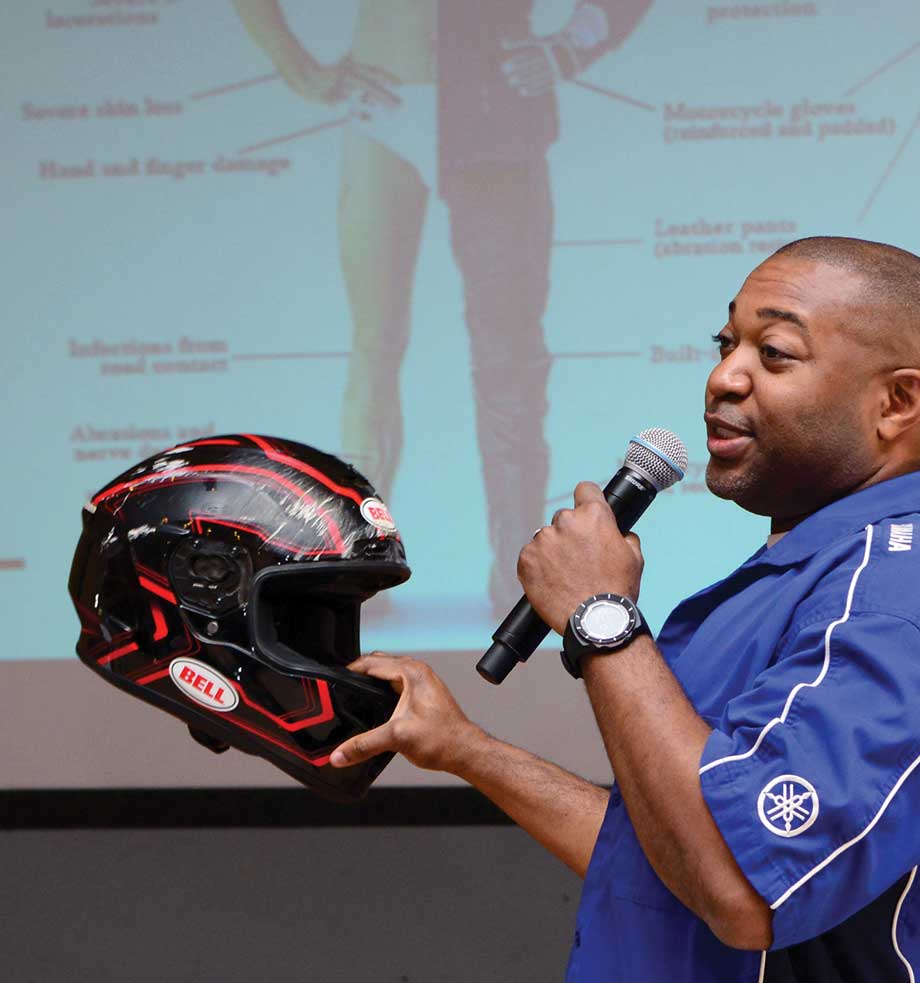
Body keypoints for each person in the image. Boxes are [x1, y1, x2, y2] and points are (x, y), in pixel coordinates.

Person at [330, 236, 920, 983]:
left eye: (775, 353)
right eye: (726, 346)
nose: (724, 377)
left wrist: (602, 616)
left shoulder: (907, 596)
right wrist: (465, 749)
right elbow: (671, 851)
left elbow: (743, 890)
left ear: (897, 402)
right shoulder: (800, 583)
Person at [231, 0, 651, 614]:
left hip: (492, 118)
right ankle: (354, 572)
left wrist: (569, 47)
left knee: (507, 360)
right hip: (388, 107)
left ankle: (519, 575)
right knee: (376, 349)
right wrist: (300, 68)